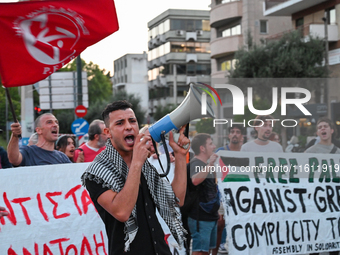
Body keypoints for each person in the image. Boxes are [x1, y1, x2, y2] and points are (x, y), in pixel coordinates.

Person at [81, 100, 190, 255]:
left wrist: (180, 156)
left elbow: (176, 200)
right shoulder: (97, 173)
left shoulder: (145, 165)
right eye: (119, 123)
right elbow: (122, 212)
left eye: (132, 121)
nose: (128, 126)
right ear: (107, 132)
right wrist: (137, 162)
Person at [213, 125, 244, 254]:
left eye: (238, 132)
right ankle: (221, 243)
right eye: (232, 132)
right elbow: (215, 174)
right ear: (229, 135)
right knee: (222, 221)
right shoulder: (221, 152)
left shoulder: (246, 152)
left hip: (241, 194)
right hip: (223, 193)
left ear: (242, 136)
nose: (235, 134)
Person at [187, 133, 219, 255]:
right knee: (200, 251)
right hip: (200, 218)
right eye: (210, 144)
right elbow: (195, 180)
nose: (214, 146)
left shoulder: (205, 165)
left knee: (206, 251)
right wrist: (210, 164)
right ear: (202, 148)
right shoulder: (196, 164)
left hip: (209, 217)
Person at [7, 113, 72, 166]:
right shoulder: (29, 152)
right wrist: (15, 136)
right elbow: (13, 159)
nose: (55, 125)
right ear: (39, 130)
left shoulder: (62, 157)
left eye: (56, 123)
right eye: (49, 122)